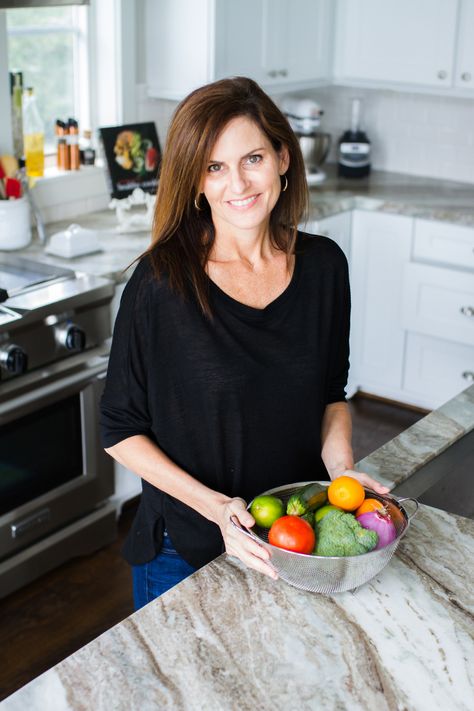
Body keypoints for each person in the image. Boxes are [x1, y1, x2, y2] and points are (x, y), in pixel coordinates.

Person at [100, 76, 389, 610]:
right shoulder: (162, 284)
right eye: (215, 167)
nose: (238, 182)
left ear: (282, 157)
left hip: (296, 538)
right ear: (196, 182)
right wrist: (217, 510)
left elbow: (330, 392)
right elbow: (120, 430)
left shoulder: (325, 266)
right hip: (185, 551)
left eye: (252, 157)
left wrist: (344, 475)